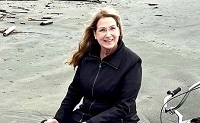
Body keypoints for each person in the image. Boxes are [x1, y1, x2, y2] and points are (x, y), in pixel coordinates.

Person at [41, 7, 142, 123]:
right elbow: (74, 91)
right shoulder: (88, 57)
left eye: (112, 28)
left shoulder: (132, 62)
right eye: (102, 30)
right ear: (95, 34)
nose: (108, 35)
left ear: (119, 31)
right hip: (85, 115)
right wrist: (58, 118)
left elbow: (124, 106)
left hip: (118, 119)